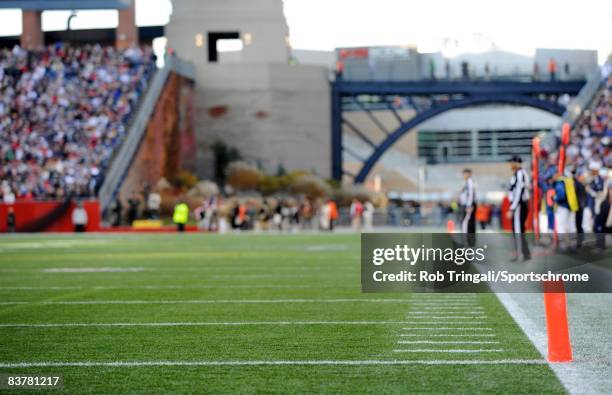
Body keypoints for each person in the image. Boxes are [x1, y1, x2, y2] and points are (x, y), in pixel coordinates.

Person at [507, 155, 531, 260]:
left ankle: (521, 253)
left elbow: (519, 192)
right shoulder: (517, 174)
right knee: (518, 230)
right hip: (518, 204)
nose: (510, 165)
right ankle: (524, 253)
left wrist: (512, 207)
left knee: (517, 230)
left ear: (517, 163)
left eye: (512, 162)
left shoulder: (520, 174)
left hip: (519, 205)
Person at [459, 169, 476, 234]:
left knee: (465, 222)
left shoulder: (469, 182)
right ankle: (468, 240)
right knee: (467, 222)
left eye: (465, 173)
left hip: (468, 205)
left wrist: (469, 205)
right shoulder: (466, 182)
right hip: (467, 204)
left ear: (469, 174)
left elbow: (470, 194)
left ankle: (466, 240)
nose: (464, 175)